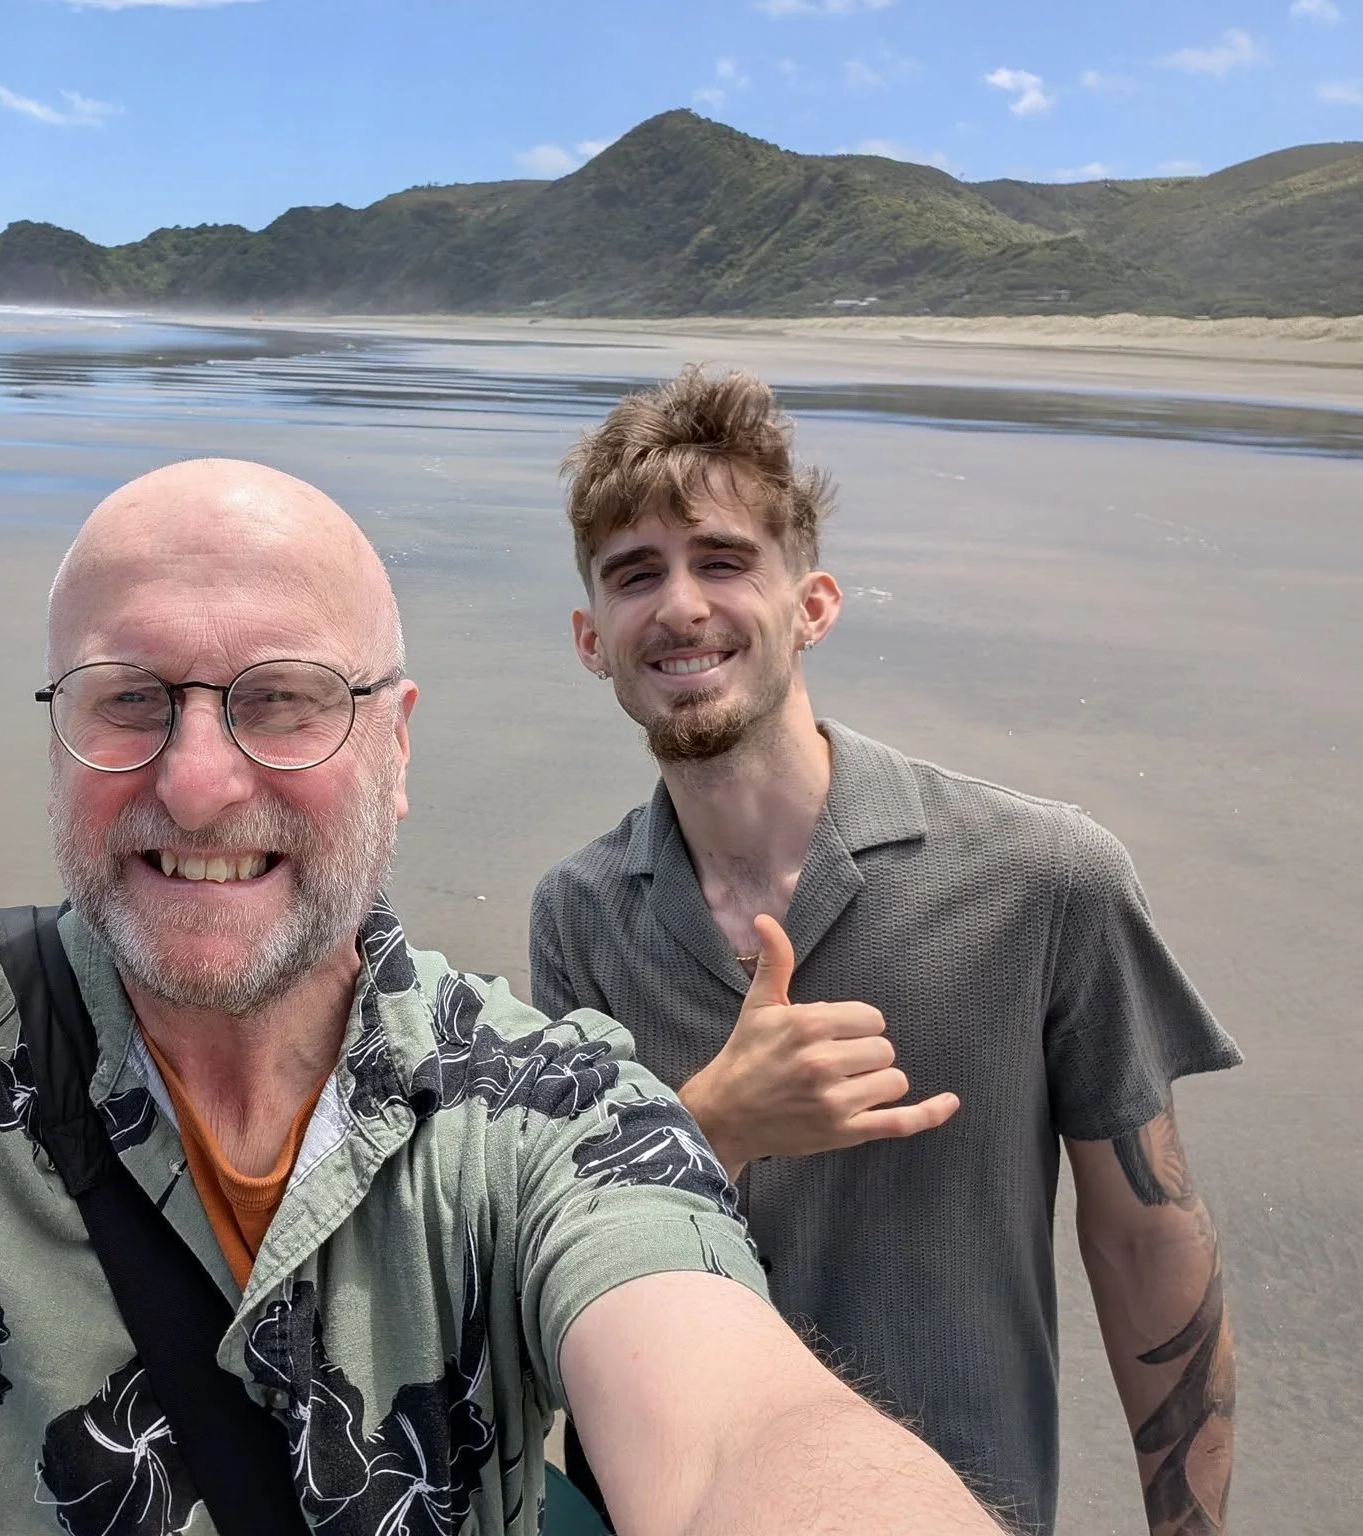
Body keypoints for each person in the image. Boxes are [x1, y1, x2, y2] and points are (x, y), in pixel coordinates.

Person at [0, 459, 1002, 1535]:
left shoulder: (546, 1106)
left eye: (285, 699)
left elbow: (737, 1439)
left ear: (399, 742)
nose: (198, 780)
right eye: (127, 697)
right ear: (56, 727)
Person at [530, 370, 1243, 1536]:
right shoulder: (581, 912)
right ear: (589, 639)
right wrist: (714, 1125)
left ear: (810, 605)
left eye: (720, 560)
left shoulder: (1040, 875)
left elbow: (1143, 1231)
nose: (678, 605)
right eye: (632, 574)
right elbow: (563, 1246)